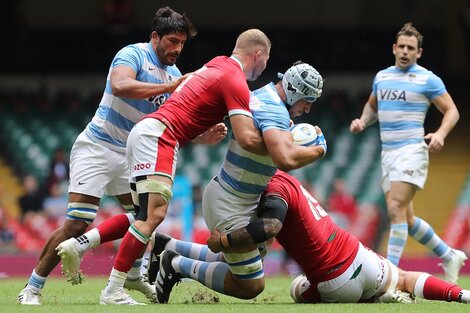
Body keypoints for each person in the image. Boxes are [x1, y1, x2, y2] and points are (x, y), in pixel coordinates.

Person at [18, 6, 197, 305]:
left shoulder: (175, 75)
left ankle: (132, 276)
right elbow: (120, 85)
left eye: (181, 43)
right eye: (172, 41)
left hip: (130, 155)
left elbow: (175, 121)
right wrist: (169, 86)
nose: (177, 49)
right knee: (77, 223)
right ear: (156, 37)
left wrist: (206, 133)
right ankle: (32, 288)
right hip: (98, 147)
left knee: (145, 218)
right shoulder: (133, 55)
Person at [94, 28, 272, 305]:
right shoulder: (235, 79)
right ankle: (113, 289)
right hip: (160, 135)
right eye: (266, 61)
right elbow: (247, 138)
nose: (264, 68)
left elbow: (192, 108)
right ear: (258, 54)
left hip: (148, 131)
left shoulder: (216, 64)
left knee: (144, 214)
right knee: (152, 216)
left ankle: (125, 278)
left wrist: (202, 132)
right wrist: (289, 147)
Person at [148, 61, 326, 304]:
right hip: (231, 202)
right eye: (307, 100)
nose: (307, 109)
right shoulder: (275, 110)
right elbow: (284, 159)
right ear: (295, 91)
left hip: (232, 194)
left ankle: (169, 245)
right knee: (250, 284)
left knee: (241, 258)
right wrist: (318, 150)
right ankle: (176, 264)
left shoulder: (265, 95)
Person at [204, 170, 470, 304]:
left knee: (297, 289)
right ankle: (462, 296)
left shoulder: (271, 191)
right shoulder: (291, 181)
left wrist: (223, 242)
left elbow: (268, 228)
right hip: (357, 254)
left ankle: (373, 298)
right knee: (404, 277)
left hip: (333, 282)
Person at [349, 22, 466, 282]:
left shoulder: (428, 79)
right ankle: (449, 256)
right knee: (407, 218)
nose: (404, 51)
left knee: (394, 209)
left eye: (410, 48)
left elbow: (452, 110)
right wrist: (362, 121)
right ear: (394, 48)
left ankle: (390, 276)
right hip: (388, 154)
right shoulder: (382, 77)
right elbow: (372, 107)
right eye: (401, 46)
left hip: (411, 150)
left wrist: (440, 134)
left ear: (419, 53)